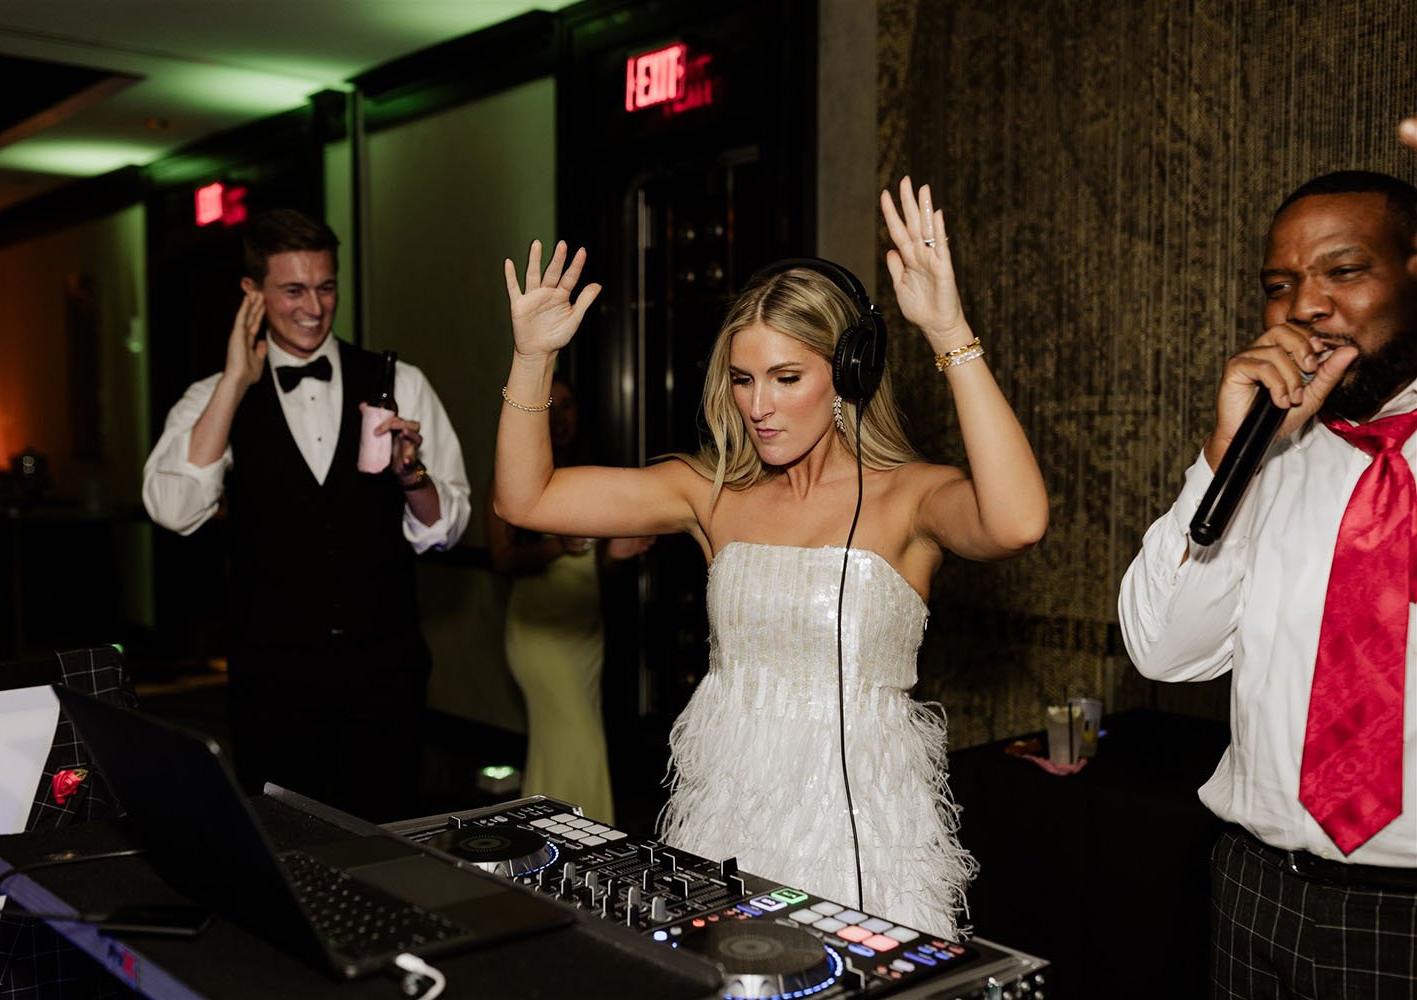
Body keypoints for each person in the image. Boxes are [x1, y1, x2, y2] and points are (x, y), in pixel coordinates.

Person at [493, 177, 1048, 938]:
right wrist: (533, 359)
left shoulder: (909, 499)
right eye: (745, 379)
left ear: (847, 374)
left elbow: (1017, 521)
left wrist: (949, 330)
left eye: (788, 379)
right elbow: (524, 501)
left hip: (862, 831)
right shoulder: (708, 491)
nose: (759, 406)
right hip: (728, 809)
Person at [1119, 170, 1417, 997]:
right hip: (1258, 892)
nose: (1305, 307)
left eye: (1344, 271)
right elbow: (1164, 652)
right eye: (1279, 286)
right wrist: (1228, 448)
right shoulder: (1268, 455)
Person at [143, 208, 469, 823]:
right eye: (293, 289)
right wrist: (237, 382)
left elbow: (446, 531)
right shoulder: (211, 396)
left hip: (384, 670)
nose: (314, 307)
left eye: (326, 287)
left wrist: (410, 474)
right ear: (252, 292)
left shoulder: (401, 381)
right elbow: (174, 510)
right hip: (274, 677)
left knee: (388, 841)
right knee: (288, 846)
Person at [486, 375, 653, 823]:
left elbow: (594, 565)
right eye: (549, 404)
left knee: (575, 737)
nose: (559, 416)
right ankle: (574, 836)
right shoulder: (512, 477)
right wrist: (557, 546)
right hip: (540, 631)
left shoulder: (589, 475)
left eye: (568, 405)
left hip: (585, 630)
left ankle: (561, 846)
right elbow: (502, 560)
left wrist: (617, 554)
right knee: (573, 735)